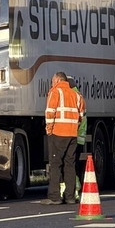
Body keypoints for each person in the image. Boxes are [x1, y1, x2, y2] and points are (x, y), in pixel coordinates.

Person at [42, 71, 83, 205]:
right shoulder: (76, 95)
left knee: (55, 164)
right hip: (72, 134)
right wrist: (74, 126)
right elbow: (81, 114)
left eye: (53, 81)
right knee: (70, 165)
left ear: (58, 80)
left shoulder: (55, 92)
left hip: (58, 132)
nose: (52, 83)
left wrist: (49, 130)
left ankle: (55, 196)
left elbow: (50, 112)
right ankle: (70, 197)